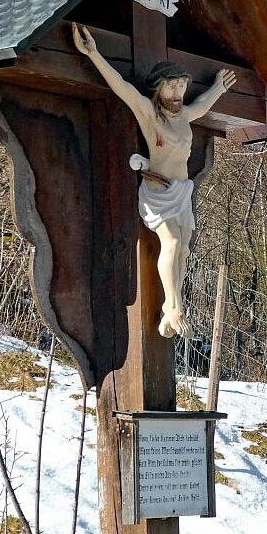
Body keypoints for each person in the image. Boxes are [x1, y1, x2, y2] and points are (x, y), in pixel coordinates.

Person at [72, 22, 236, 338]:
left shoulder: (184, 115)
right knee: (172, 242)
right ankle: (175, 307)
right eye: (171, 86)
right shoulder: (149, 113)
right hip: (157, 190)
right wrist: (93, 54)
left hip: (182, 190)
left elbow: (201, 105)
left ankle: (166, 314)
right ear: (159, 88)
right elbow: (121, 87)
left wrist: (219, 87)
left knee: (184, 250)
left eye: (181, 86)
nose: (178, 93)